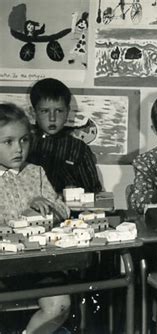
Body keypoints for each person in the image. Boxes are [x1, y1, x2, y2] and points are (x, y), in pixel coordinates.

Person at [0, 103, 70, 334]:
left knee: (60, 304)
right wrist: (23, 216)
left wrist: (48, 206)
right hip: (4, 265)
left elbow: (63, 209)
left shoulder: (36, 172)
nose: (18, 149)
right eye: (8, 142)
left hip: (39, 263)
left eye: (24, 140)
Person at [27, 77, 102, 194]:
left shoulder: (79, 149)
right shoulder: (23, 144)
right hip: (27, 208)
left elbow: (93, 191)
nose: (52, 118)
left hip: (69, 209)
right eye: (45, 111)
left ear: (67, 112)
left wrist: (77, 192)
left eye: (59, 111)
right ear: (33, 112)